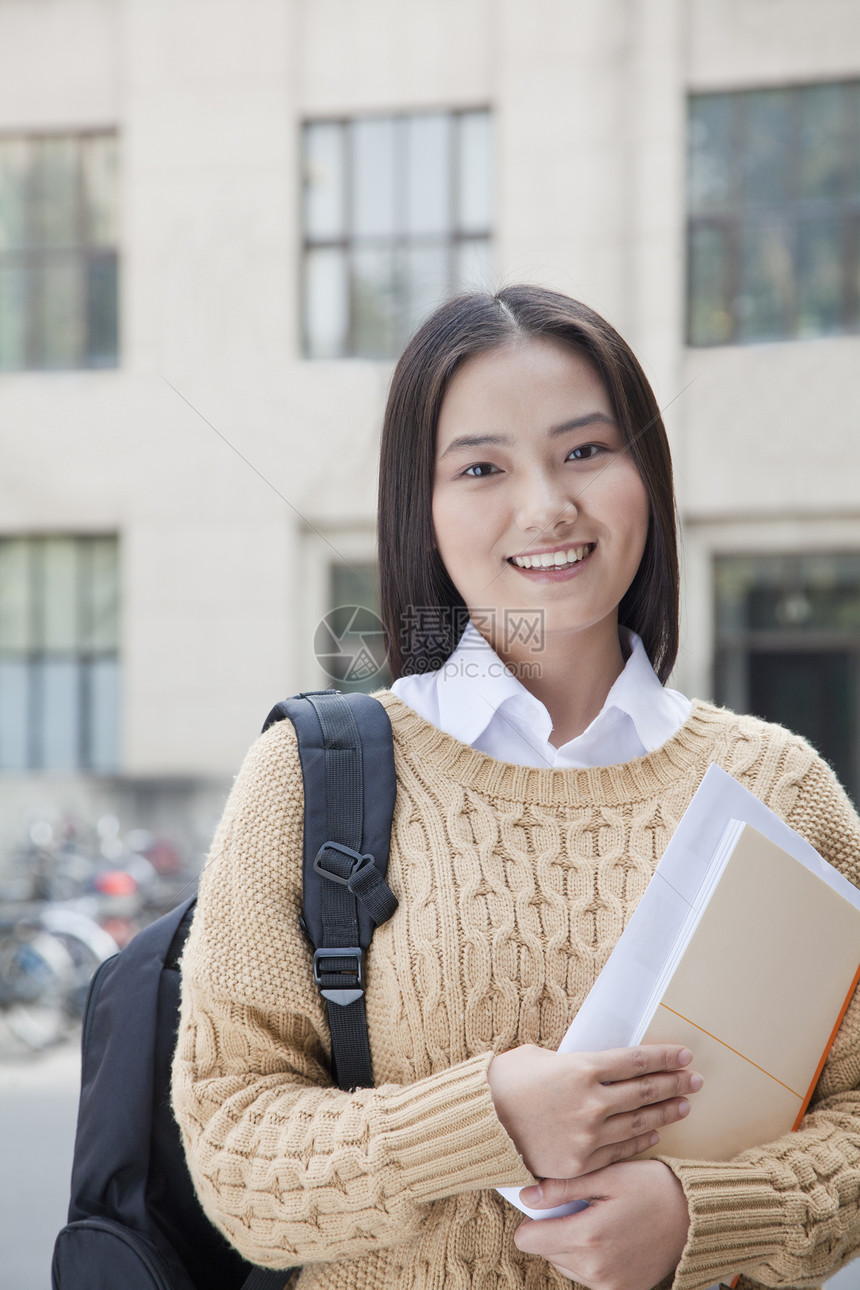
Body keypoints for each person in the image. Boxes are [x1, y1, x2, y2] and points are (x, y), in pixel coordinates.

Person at [171, 285, 860, 1290]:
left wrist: (698, 1215)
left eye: (585, 450)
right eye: (482, 467)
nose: (546, 505)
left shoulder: (776, 786)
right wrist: (482, 1118)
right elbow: (233, 1154)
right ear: (425, 507)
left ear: (644, 474)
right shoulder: (310, 779)